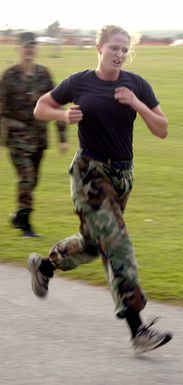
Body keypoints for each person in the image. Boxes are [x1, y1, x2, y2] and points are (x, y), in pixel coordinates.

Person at [28, 25, 172, 353]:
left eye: (124, 49)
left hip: (122, 176)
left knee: (95, 244)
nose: (119, 54)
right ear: (99, 47)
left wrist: (137, 103)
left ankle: (45, 266)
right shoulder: (80, 82)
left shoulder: (136, 85)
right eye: (114, 48)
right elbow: (40, 108)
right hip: (88, 174)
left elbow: (162, 129)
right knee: (116, 244)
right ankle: (138, 330)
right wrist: (63, 116)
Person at [0, 31, 69, 237]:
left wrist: (62, 138)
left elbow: (57, 104)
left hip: (39, 137)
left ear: (35, 49)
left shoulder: (44, 75)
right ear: (18, 49)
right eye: (25, 46)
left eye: (32, 46)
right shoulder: (9, 76)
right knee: (27, 178)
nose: (29, 49)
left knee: (33, 180)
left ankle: (18, 216)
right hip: (17, 137)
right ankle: (25, 223)